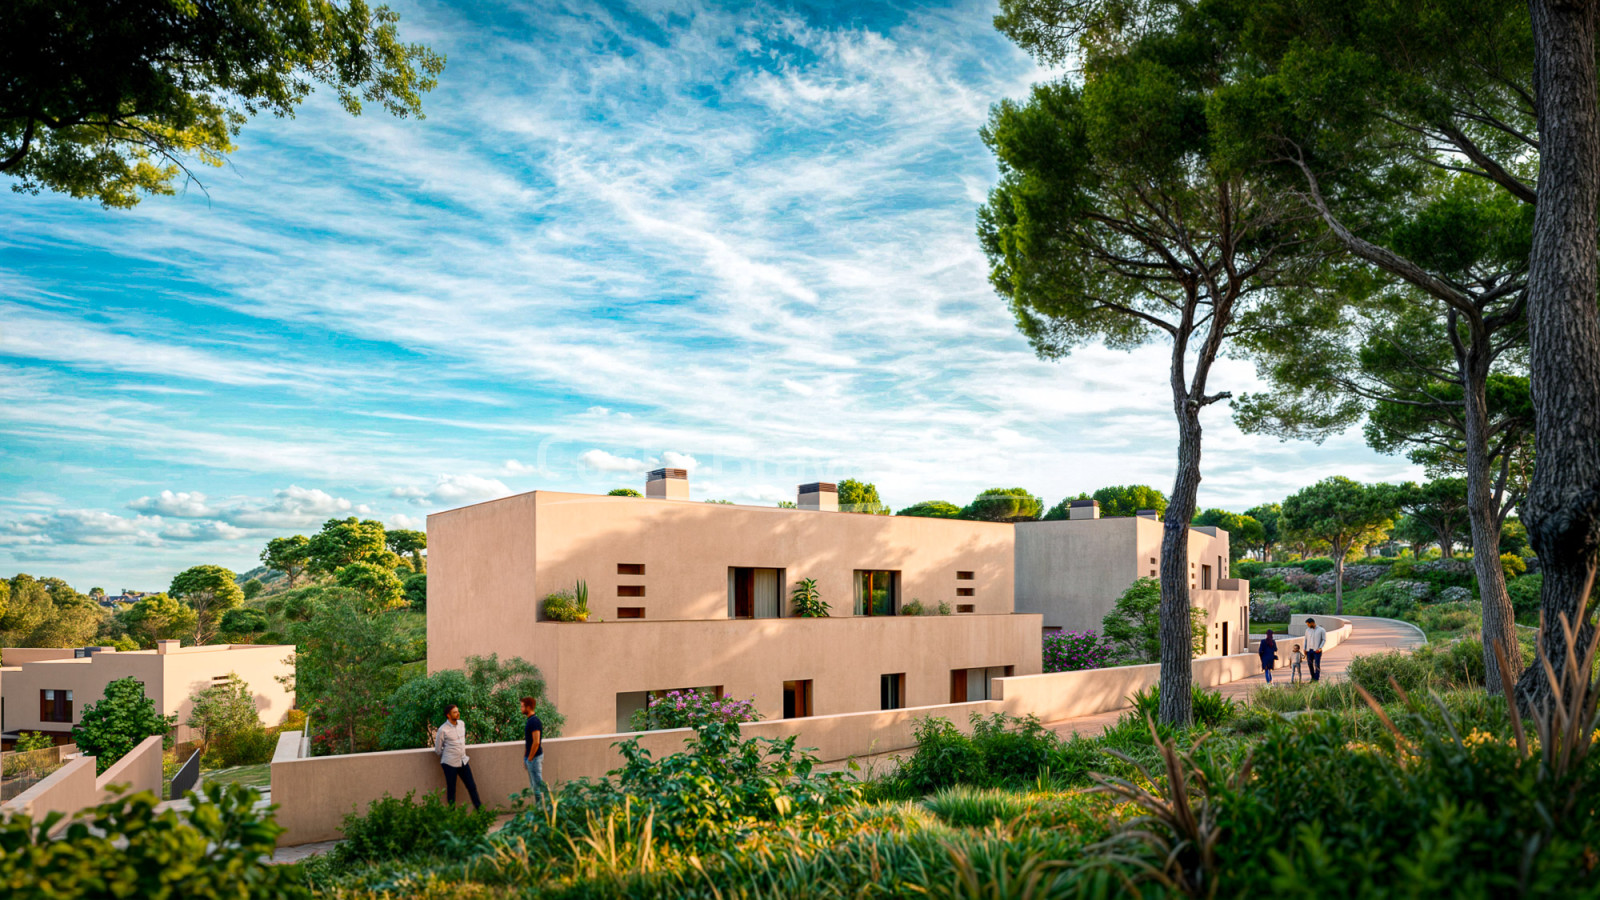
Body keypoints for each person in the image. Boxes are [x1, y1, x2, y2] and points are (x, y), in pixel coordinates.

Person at [434, 703, 482, 810]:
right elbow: (438, 750)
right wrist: (449, 755)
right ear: (448, 715)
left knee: (472, 786)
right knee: (452, 789)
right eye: (454, 712)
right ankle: (452, 816)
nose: (457, 713)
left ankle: (481, 811)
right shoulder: (443, 730)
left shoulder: (461, 724)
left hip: (463, 761)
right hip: (449, 763)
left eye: (457, 711)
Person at [521, 696, 546, 803]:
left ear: (529, 707)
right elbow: (529, 742)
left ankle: (544, 808)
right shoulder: (530, 721)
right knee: (535, 785)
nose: (521, 709)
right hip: (531, 758)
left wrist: (530, 758)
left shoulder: (534, 722)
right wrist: (526, 758)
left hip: (535, 758)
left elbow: (536, 742)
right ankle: (540, 808)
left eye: (522, 706)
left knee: (538, 785)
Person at [1303, 617, 1328, 682]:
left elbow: (1324, 640)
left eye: (1308, 624)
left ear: (1312, 623)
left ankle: (1316, 679)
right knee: (1309, 664)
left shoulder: (1321, 630)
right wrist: (1304, 649)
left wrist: (1320, 648)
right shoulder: (1307, 630)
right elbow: (1305, 640)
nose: (1308, 626)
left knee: (1317, 664)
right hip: (1309, 650)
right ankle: (1313, 677)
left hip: (1317, 650)